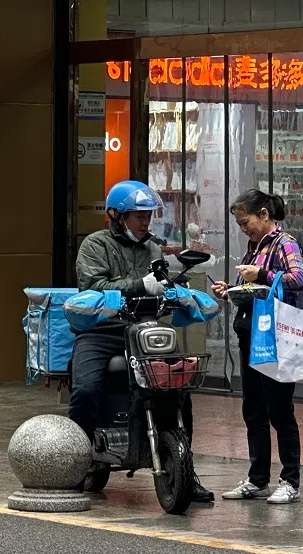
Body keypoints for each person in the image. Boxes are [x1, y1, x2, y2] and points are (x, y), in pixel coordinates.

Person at [70, 179, 214, 503]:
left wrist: (174, 289)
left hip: (143, 330)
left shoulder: (152, 247)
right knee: (86, 388)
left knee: (177, 386)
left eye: (148, 215)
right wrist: (140, 285)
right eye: (139, 215)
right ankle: (74, 463)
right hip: (101, 332)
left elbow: (156, 284)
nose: (145, 221)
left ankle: (185, 473)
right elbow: (94, 285)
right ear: (117, 216)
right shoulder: (94, 245)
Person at [211, 189, 303, 504]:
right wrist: (233, 289)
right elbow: (258, 288)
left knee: (280, 410)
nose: (244, 229)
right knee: (253, 410)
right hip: (250, 333)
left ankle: (290, 480)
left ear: (265, 214)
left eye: (246, 222)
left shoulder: (285, 243)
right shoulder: (253, 247)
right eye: (239, 225)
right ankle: (257, 479)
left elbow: (298, 278)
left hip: (276, 336)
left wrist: (262, 273)